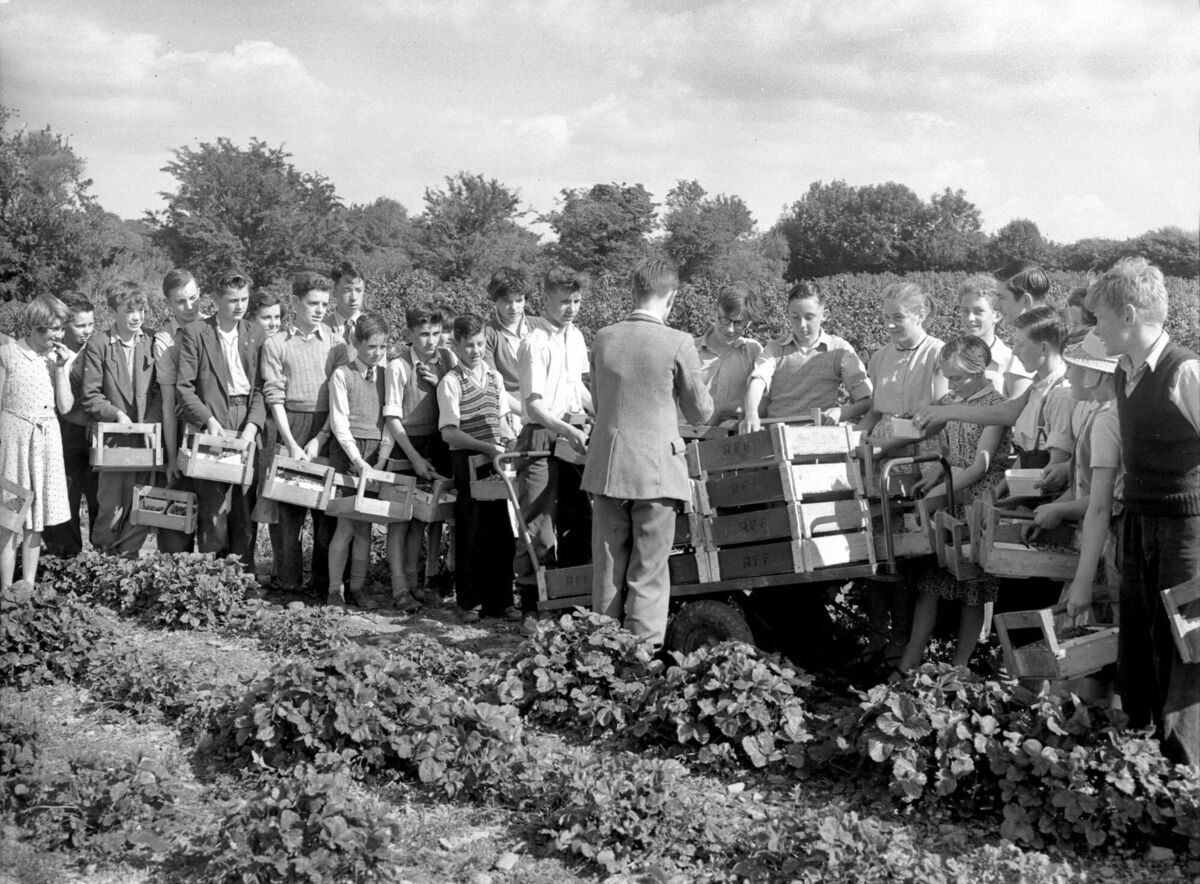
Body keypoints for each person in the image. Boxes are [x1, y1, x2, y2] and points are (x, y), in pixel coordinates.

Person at [1086, 257, 1199, 767]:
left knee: (1187, 646)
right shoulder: (1123, 374)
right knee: (1142, 637)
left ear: (1128, 315)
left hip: (1186, 529)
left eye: (1101, 320)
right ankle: (1142, 760)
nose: (1096, 330)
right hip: (1140, 522)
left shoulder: (1185, 371)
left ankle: (1186, 776)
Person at [584, 258, 713, 647]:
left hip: (608, 467)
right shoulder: (678, 342)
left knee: (608, 569)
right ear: (671, 297)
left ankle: (600, 653)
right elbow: (701, 412)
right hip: (656, 472)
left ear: (634, 291)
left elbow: (598, 400)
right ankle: (639, 661)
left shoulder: (604, 338)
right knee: (649, 573)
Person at [895, 336, 1011, 674]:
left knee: (972, 588)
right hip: (949, 495)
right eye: (949, 377)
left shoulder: (994, 404)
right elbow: (948, 452)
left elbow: (980, 466)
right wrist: (933, 474)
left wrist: (939, 493)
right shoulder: (949, 400)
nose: (953, 385)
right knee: (931, 583)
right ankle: (909, 662)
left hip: (977, 501)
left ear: (981, 372)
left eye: (959, 378)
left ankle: (958, 669)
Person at [854, 282, 947, 657]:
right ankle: (877, 636)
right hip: (879, 459)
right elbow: (875, 409)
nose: (890, 325)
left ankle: (902, 641)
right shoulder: (880, 357)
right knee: (876, 548)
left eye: (899, 318)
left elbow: (937, 416)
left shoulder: (937, 354)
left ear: (920, 315)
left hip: (915, 460)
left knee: (906, 551)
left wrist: (881, 448)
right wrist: (857, 442)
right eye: (886, 318)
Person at [514, 267, 593, 627]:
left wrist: (600, 413)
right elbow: (534, 405)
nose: (571, 308)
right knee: (538, 522)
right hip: (543, 435)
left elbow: (578, 388)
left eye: (576, 301)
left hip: (574, 431)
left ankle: (573, 596)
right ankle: (533, 603)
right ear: (544, 298)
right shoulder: (534, 343)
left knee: (580, 516)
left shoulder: (575, 336)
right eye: (564, 301)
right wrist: (565, 429)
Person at [175, 269, 267, 566]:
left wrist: (253, 426)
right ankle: (213, 577)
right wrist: (208, 421)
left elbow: (263, 388)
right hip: (213, 418)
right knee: (214, 507)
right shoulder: (196, 333)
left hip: (246, 417)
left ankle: (245, 576)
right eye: (232, 300)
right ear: (216, 300)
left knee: (244, 504)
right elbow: (184, 388)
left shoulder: (256, 333)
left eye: (244, 299)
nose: (239, 306)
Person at [260, 272, 342, 601]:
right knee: (288, 517)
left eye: (325, 303)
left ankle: (323, 587)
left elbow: (339, 397)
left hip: (326, 428)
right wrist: (292, 444)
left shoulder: (336, 343)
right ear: (295, 302)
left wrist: (321, 437)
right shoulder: (276, 343)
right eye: (313, 303)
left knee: (325, 515)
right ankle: (289, 585)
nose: (320, 310)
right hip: (288, 426)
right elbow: (274, 396)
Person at [325, 313, 413, 610]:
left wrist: (382, 457)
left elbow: (391, 418)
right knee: (347, 524)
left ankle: (358, 588)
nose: (377, 353)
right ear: (356, 343)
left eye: (383, 347)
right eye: (371, 346)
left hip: (378, 454)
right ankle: (334, 590)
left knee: (365, 526)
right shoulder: (342, 374)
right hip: (350, 454)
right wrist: (358, 461)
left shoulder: (388, 374)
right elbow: (339, 422)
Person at [1030, 329, 1122, 611]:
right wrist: (1054, 509)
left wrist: (1060, 511)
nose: (1068, 375)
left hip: (1108, 543)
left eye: (1075, 368)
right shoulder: (1097, 411)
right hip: (1094, 538)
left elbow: (1108, 500)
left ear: (1098, 374)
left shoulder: (1108, 420)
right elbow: (1084, 484)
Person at [438, 313, 520, 621]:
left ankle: (502, 600)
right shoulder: (450, 382)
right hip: (466, 461)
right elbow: (449, 432)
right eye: (469, 345)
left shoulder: (494, 378)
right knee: (471, 531)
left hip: (495, 461)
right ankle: (469, 602)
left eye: (480, 344)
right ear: (457, 345)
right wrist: (487, 447)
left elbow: (500, 420)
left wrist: (510, 439)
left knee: (500, 529)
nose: (475, 350)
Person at [80, 281, 161, 557]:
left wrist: (147, 424)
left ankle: (129, 562)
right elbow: (91, 396)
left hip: (146, 439)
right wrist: (117, 414)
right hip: (112, 440)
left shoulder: (151, 340)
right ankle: (103, 560)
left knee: (141, 502)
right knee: (111, 505)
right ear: (114, 311)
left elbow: (161, 391)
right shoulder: (99, 344)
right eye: (129, 310)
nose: (137, 316)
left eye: (141, 309)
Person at [0, 295, 74, 588]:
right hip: (14, 444)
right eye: (49, 329)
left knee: (35, 520)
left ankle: (28, 587)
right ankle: (5, 590)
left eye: (59, 329)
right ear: (32, 326)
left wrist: (62, 369)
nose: (56, 336)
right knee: (10, 518)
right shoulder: (8, 355)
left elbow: (65, 407)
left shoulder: (55, 361)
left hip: (45, 444)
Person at [384, 302, 455, 602]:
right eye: (424, 334)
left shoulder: (448, 359)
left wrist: (439, 385)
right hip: (406, 446)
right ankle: (399, 586)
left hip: (436, 444)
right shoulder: (398, 365)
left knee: (422, 519)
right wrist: (414, 457)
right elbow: (392, 417)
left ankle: (416, 584)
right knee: (399, 519)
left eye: (436, 333)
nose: (431, 341)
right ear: (410, 333)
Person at [741, 281, 870, 431]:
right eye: (795, 317)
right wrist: (751, 413)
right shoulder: (775, 349)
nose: (802, 324)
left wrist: (841, 412)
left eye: (809, 317)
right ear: (788, 314)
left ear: (824, 316)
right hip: (776, 434)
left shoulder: (839, 350)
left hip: (818, 438)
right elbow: (758, 381)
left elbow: (866, 400)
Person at [42, 294, 97, 557]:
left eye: (90, 324)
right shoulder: (51, 355)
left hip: (94, 435)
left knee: (98, 496)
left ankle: (102, 556)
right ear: (65, 326)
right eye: (80, 326)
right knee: (67, 497)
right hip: (64, 436)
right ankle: (66, 556)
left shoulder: (97, 350)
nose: (87, 331)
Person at [153, 269, 202, 553]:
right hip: (179, 431)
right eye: (181, 302)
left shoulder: (212, 330)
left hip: (210, 430)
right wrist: (171, 457)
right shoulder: (165, 340)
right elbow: (168, 407)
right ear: (169, 305)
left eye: (194, 298)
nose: (189, 307)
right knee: (175, 514)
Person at [245, 288, 286, 588]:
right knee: (247, 500)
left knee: (275, 499)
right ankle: (245, 567)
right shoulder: (250, 345)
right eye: (265, 318)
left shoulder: (283, 345)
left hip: (278, 428)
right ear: (252, 318)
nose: (272, 323)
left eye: (276, 317)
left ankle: (281, 568)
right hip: (253, 424)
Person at [690, 282, 762, 427]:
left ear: (748, 323)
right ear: (715, 312)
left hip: (733, 438)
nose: (730, 329)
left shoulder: (753, 351)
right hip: (690, 434)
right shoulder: (689, 348)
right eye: (725, 319)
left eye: (739, 323)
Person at [483, 267, 540, 443]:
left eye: (519, 300)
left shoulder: (539, 327)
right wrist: (529, 413)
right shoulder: (487, 334)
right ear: (495, 301)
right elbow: (493, 386)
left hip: (544, 408)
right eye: (506, 301)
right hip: (508, 414)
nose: (513, 307)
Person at [991, 259, 1048, 400]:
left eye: (1002, 298)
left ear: (1026, 301)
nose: (996, 306)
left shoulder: (1032, 345)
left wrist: (944, 413)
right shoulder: (1047, 336)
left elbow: (1013, 411)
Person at [954, 276, 1013, 397]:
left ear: (997, 315)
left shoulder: (1010, 362)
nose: (970, 318)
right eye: (965, 311)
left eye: (978, 311)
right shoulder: (949, 357)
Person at [324, 261, 365, 347]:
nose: (354, 297)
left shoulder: (373, 328)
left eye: (358, 290)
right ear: (334, 292)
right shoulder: (321, 329)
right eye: (347, 290)